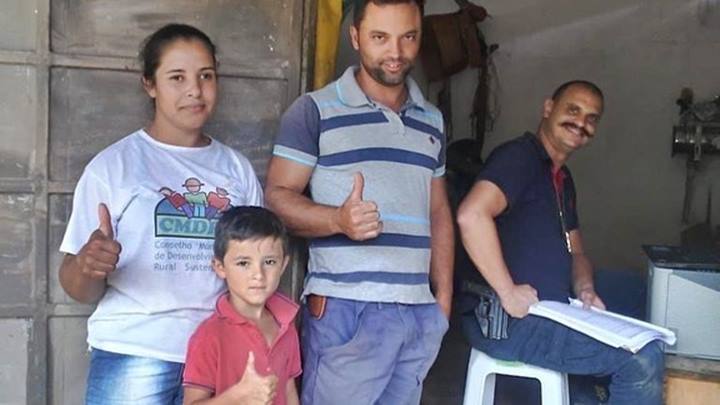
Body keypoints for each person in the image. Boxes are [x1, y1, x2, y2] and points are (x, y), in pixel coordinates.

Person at [58, 24, 263, 404]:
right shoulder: (114, 167)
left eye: (206, 76)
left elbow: (256, 267)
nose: (195, 90)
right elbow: (76, 287)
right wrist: (88, 265)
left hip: (217, 352)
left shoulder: (237, 170)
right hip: (135, 351)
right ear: (149, 84)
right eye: (177, 77)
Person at [265, 1, 454, 403]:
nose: (395, 52)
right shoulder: (314, 111)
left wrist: (442, 301)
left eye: (408, 37)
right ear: (355, 37)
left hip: (418, 311)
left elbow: (438, 212)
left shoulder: (432, 119)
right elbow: (277, 198)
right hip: (348, 311)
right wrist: (338, 220)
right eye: (380, 37)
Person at [457, 80, 664, 404]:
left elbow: (576, 251)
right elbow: (471, 215)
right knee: (641, 360)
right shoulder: (519, 158)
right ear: (548, 108)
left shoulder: (562, 180)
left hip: (550, 311)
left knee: (634, 316)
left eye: (591, 118)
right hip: (505, 319)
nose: (581, 122)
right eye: (573, 110)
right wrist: (507, 291)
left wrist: (585, 289)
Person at [183, 206, 300, 405]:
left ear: (283, 265)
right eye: (244, 263)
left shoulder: (286, 326)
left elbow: (289, 391)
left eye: (269, 262)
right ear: (220, 267)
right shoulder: (210, 335)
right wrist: (237, 397)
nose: (258, 275)